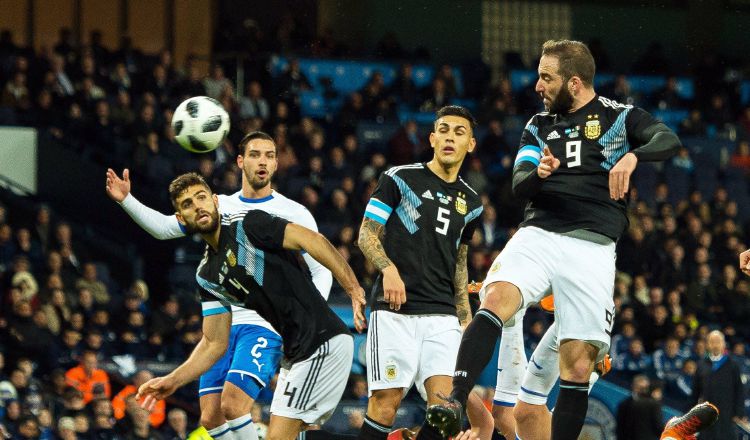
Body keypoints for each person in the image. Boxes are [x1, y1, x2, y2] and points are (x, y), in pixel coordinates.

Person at [426, 39, 681, 440]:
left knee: (578, 367)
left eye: (547, 77)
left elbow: (668, 139)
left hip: (593, 245)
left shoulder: (620, 117)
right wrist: (539, 174)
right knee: (495, 300)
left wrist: (633, 157)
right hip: (539, 233)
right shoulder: (538, 125)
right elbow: (518, 185)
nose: (538, 86)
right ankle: (455, 398)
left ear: (574, 83)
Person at [106, 131, 333, 439]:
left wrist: (303, 318)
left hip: (265, 322)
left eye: (268, 155)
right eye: (254, 155)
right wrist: (127, 200)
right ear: (241, 161)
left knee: (234, 406)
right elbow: (163, 228)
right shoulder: (216, 206)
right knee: (211, 417)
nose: (261, 161)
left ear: (277, 164)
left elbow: (323, 268)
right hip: (223, 325)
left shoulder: (294, 212)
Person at [136, 172, 367, 440]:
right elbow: (214, 343)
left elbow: (311, 240)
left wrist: (352, 287)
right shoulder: (207, 275)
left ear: (215, 201)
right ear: (180, 219)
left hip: (322, 342)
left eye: (201, 197)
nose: (197, 206)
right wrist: (171, 381)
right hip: (296, 355)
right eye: (187, 204)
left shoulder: (249, 225)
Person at [356, 105, 491, 440]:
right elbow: (366, 234)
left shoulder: (472, 203)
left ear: (470, 144)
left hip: (442, 315)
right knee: (386, 404)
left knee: (445, 411)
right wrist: (388, 270)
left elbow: (460, 263)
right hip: (394, 311)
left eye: (459, 132)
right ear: (432, 138)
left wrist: (465, 317)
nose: (450, 137)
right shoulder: (399, 178)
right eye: (443, 130)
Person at [691, 330, 745, 439]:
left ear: (724, 344)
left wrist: (738, 412)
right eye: (712, 342)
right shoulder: (701, 365)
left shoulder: (732, 365)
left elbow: (739, 390)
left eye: (718, 342)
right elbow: (695, 391)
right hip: (707, 415)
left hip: (727, 414)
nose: (715, 345)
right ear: (707, 344)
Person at [616, 375, 663, 440]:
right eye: (640, 388)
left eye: (645, 388)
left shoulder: (653, 404)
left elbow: (657, 427)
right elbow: (620, 429)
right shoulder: (624, 405)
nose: (643, 391)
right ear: (633, 386)